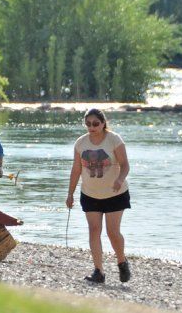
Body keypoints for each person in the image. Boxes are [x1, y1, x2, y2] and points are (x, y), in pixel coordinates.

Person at [65, 108, 132, 284]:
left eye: (95, 124)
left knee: (112, 232)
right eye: (88, 124)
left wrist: (120, 179)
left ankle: (122, 262)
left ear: (103, 123)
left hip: (115, 193)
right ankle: (98, 271)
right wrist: (70, 194)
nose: (92, 127)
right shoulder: (80, 143)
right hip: (90, 194)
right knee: (94, 230)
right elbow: (76, 170)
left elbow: (125, 165)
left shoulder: (114, 139)